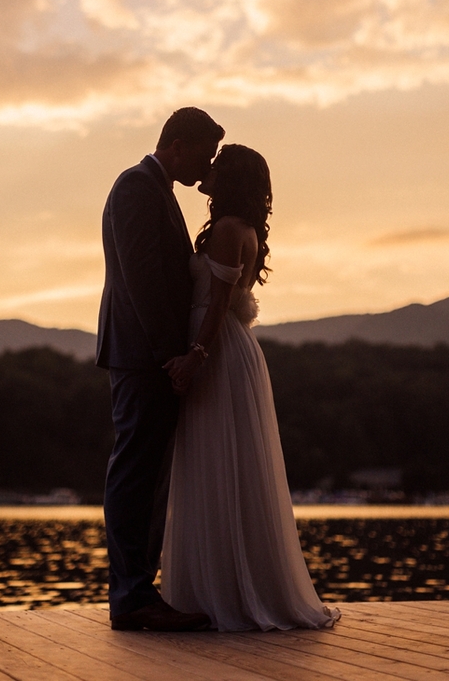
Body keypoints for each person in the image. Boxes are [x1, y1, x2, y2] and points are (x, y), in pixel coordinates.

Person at [162, 144, 341, 631]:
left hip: (216, 352)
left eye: (218, 167)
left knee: (218, 465)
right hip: (231, 351)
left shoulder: (224, 231)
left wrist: (194, 357)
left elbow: (218, 303)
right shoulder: (240, 230)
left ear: (232, 179)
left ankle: (223, 594)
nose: (209, 169)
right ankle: (229, 587)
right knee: (226, 467)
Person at [96, 107, 224, 631]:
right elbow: (142, 279)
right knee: (135, 474)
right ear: (176, 144)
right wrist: (170, 354)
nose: (207, 165)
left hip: (147, 354)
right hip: (141, 353)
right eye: (205, 153)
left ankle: (137, 592)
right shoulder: (135, 189)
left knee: (148, 477)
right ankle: (130, 597)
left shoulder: (157, 190)